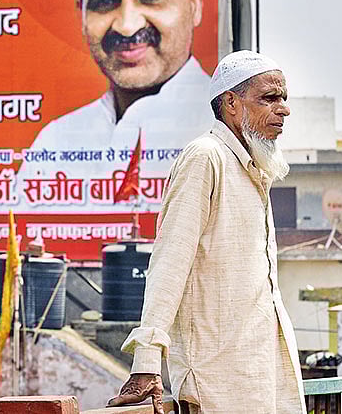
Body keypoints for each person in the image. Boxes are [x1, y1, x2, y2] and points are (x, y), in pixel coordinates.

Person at [107, 50, 304, 414]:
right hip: (218, 382)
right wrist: (147, 362)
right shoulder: (206, 158)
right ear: (231, 103)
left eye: (284, 99)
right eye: (269, 98)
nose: (284, 110)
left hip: (261, 376)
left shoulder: (254, 169)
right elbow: (169, 263)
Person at [14, 0, 212, 191]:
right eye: (105, 2)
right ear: (81, 12)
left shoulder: (222, 130)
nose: (127, 26)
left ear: (194, 4)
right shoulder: (56, 142)